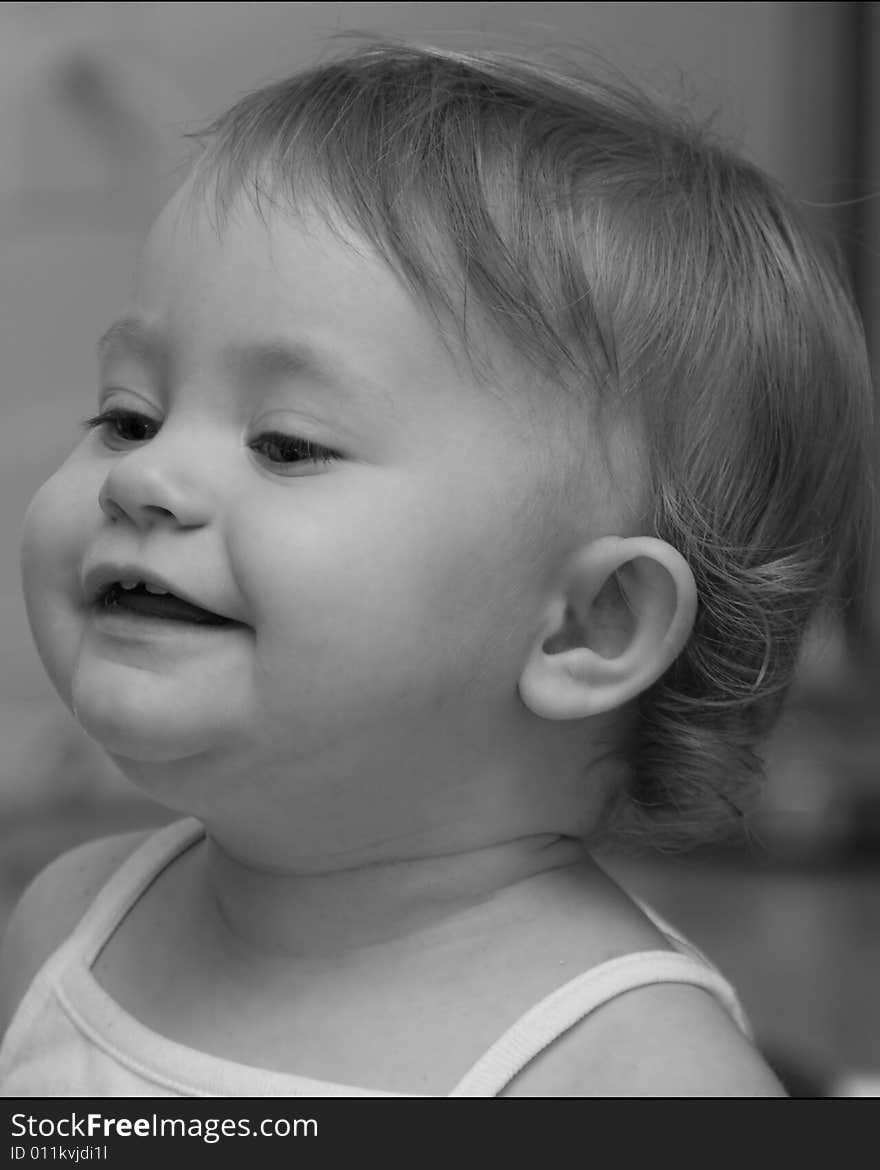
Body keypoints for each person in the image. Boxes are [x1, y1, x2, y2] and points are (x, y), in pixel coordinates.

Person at [0, 40, 872, 1097]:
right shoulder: (67, 924)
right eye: (127, 416)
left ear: (586, 625)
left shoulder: (629, 1074)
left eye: (285, 443)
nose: (143, 477)